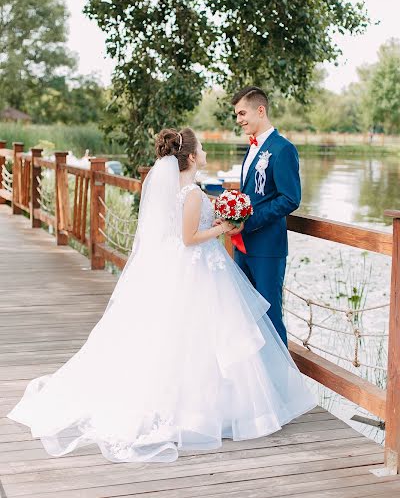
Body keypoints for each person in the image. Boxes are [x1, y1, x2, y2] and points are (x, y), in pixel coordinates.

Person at [7, 127, 315, 463]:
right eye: (202, 148)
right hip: (199, 265)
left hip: (187, 266)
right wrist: (224, 228)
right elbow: (188, 237)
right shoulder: (192, 193)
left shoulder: (181, 190)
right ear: (193, 156)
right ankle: (209, 410)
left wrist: (221, 211)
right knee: (206, 337)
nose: (206, 152)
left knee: (186, 337)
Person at [229, 87, 301, 346]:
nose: (239, 120)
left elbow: (290, 198)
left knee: (270, 317)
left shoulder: (283, 149)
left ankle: (279, 381)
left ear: (261, 110)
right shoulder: (251, 148)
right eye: (236, 115)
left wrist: (249, 220)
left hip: (268, 247)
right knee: (244, 314)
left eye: (242, 113)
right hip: (243, 246)